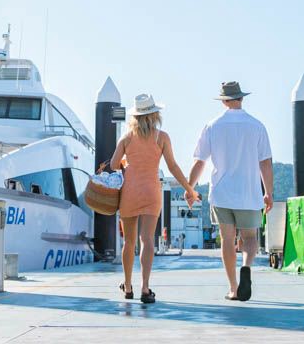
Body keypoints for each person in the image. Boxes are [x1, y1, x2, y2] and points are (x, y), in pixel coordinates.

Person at [187, 81, 273, 302]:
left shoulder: (212, 126)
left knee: (227, 239)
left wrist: (190, 188)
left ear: (224, 101)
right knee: (249, 237)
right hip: (249, 193)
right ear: (241, 98)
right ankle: (246, 266)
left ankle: (234, 288)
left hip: (222, 193)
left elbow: (199, 162)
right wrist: (269, 192)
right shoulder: (257, 126)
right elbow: (265, 162)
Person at [110, 93, 196, 304]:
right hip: (151, 192)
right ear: (155, 114)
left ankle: (128, 286)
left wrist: (125, 163)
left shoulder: (127, 137)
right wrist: (189, 189)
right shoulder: (162, 137)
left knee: (128, 241)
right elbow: (173, 167)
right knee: (147, 240)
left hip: (129, 192)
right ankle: (145, 288)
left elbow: (113, 165)